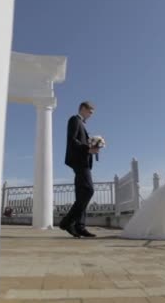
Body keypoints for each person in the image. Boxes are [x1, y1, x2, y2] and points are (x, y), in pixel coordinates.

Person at [59, 101, 100, 238]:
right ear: (82, 108)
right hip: (79, 162)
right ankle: (67, 222)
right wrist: (88, 148)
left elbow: (81, 141)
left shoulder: (81, 123)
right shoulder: (74, 120)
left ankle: (79, 226)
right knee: (89, 190)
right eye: (90, 112)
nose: (91, 115)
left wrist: (93, 146)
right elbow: (72, 140)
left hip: (83, 162)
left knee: (82, 193)